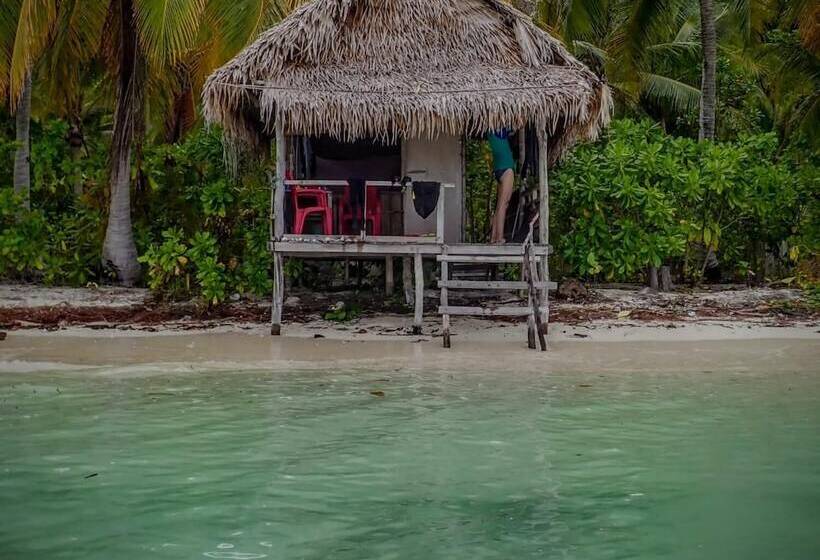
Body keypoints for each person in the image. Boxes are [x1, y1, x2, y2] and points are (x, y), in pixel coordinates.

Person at [487, 129, 515, 244]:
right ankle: (499, 237)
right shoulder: (499, 130)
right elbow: (518, 124)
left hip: (498, 169)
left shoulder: (490, 132)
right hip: (507, 168)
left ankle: (494, 236)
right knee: (504, 204)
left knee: (499, 205)